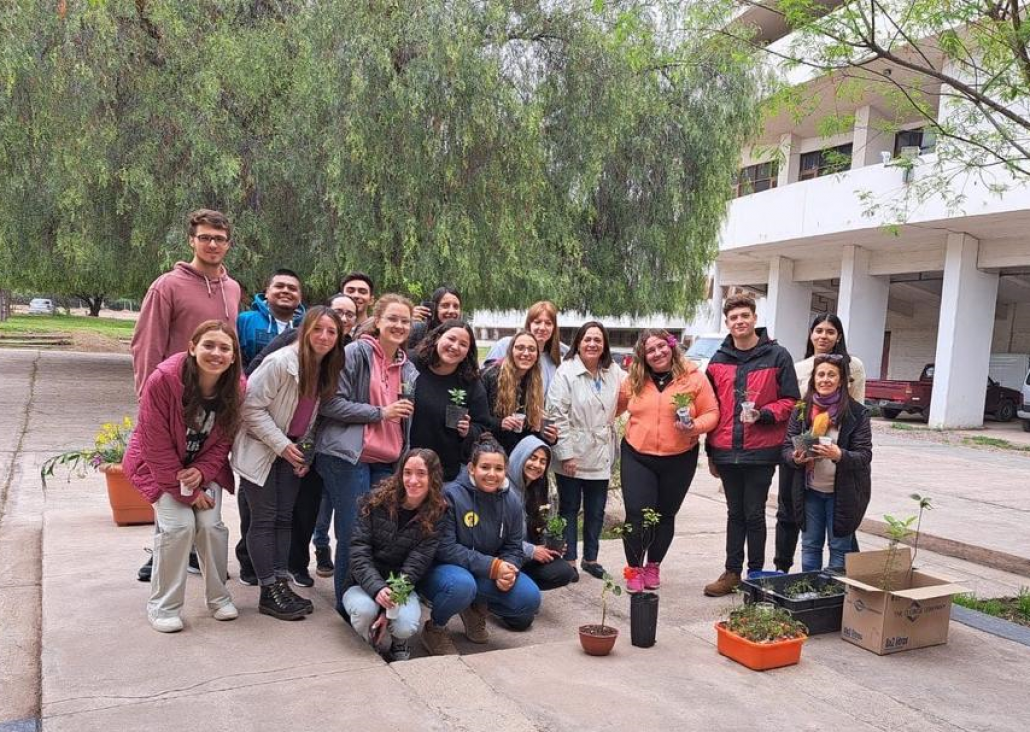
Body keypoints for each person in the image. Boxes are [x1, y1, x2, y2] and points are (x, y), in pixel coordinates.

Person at [130, 208, 241, 582]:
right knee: (167, 474)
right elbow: (147, 343)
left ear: (228, 244)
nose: (212, 244)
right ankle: (161, 554)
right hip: (172, 399)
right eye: (205, 237)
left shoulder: (232, 287)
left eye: (219, 238)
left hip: (212, 400)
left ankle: (195, 554)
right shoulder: (168, 285)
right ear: (192, 240)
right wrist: (147, 397)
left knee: (199, 473)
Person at [122, 320, 244, 633]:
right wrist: (188, 493)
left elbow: (225, 440)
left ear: (233, 356)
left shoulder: (237, 387)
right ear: (192, 347)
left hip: (202, 467)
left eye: (224, 348)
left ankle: (218, 598)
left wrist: (202, 472)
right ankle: (163, 606)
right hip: (159, 467)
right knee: (179, 526)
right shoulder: (164, 379)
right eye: (208, 345)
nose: (216, 353)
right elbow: (155, 443)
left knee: (210, 526)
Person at [235, 294, 356, 585]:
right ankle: (268, 587)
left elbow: (312, 417)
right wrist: (283, 446)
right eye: (318, 329)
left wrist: (305, 453)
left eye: (332, 332)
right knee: (263, 520)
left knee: (283, 518)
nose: (325, 337)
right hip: (262, 447)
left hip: (292, 451)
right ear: (304, 330)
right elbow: (249, 407)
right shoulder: (280, 362)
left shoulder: (324, 368)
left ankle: (279, 580)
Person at [315, 294, 419, 612]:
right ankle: (348, 606)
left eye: (405, 320)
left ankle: (371, 597)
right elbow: (331, 403)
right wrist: (380, 412)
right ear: (377, 320)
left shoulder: (409, 368)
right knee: (353, 533)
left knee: (379, 535)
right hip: (348, 457)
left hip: (387, 460)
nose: (399, 325)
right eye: (393, 319)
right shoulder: (356, 353)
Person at [703, 295, 800, 597]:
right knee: (735, 513)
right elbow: (709, 406)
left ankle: (755, 574)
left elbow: (792, 401)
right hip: (726, 450)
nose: (740, 321)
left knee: (754, 513)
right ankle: (732, 571)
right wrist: (710, 451)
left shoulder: (777, 356)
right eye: (734, 318)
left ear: (754, 318)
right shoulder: (718, 360)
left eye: (745, 315)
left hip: (761, 451)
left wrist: (765, 414)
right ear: (728, 323)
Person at [616, 329, 719, 593]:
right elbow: (612, 407)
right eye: (650, 350)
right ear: (643, 356)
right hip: (638, 454)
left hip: (680, 457)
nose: (658, 353)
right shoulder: (634, 380)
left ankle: (653, 565)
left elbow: (712, 413)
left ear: (672, 346)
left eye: (662, 346)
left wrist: (694, 426)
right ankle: (634, 569)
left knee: (665, 516)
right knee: (637, 515)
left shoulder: (694, 378)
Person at [418, 435, 540, 656]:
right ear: (472, 469)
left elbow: (514, 546)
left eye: (498, 468)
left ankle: (475, 608)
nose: (492, 474)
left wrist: (509, 570)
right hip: (445, 570)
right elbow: (445, 549)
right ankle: (435, 628)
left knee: (529, 599)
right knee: (462, 586)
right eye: (485, 467)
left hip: (485, 571)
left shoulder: (511, 501)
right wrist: (493, 567)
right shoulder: (450, 496)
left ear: (506, 470)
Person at [775, 314, 867, 573]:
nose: (823, 336)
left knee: (840, 533)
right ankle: (787, 572)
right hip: (808, 470)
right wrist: (798, 454)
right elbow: (794, 416)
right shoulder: (800, 369)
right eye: (818, 330)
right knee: (806, 533)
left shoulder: (854, 366)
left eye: (830, 331)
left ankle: (842, 585)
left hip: (841, 459)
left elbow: (858, 407)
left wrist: (842, 442)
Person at [343, 449, 447, 662]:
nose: (413, 480)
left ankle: (399, 641)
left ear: (433, 477)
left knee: (405, 625)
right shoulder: (374, 502)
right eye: (407, 472)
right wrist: (378, 589)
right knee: (364, 611)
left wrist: (389, 607)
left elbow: (416, 564)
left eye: (421, 473)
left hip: (402, 585)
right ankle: (369, 638)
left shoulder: (437, 514)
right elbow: (358, 551)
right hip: (363, 582)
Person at [546, 321, 624, 581]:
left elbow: (633, 389)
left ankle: (591, 558)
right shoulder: (566, 372)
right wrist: (566, 453)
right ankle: (570, 560)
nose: (592, 344)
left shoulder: (612, 371)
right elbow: (557, 414)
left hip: (600, 453)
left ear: (604, 345)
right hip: (573, 453)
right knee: (569, 508)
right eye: (587, 339)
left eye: (597, 340)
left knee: (596, 509)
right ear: (578, 343)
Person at [409, 320, 491, 481]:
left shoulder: (470, 382)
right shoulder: (411, 363)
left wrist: (467, 431)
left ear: (468, 351)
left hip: (444, 471)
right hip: (405, 464)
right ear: (438, 337)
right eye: (451, 339)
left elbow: (482, 425)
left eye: (463, 344)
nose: (455, 346)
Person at [507, 436, 576, 591]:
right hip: (503, 558)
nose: (537, 465)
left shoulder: (538, 489)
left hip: (523, 559)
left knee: (564, 571)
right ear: (520, 456)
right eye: (532, 458)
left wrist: (550, 544)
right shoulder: (503, 489)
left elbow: (538, 528)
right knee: (524, 611)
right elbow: (496, 539)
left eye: (543, 461)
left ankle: (522, 588)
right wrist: (531, 551)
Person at [481, 330, 558, 457]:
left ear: (537, 356)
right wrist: (500, 423)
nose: (526, 353)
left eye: (531, 349)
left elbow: (528, 430)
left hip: (518, 454)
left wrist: (550, 438)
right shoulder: (490, 375)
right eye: (520, 348)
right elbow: (477, 418)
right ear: (511, 351)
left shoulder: (534, 382)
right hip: (490, 451)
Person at [484, 301, 568, 392]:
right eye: (537, 322)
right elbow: (485, 381)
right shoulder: (504, 345)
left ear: (554, 328)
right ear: (529, 324)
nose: (542, 328)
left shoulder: (553, 363)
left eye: (548, 323)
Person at [236, 268, 305, 366]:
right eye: (279, 286)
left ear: (300, 298)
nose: (286, 291)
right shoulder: (245, 320)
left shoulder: (307, 328)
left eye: (292, 288)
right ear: (267, 293)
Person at [408, 286, 462, 350]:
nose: (451, 311)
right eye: (445, 305)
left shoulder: (464, 335)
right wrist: (406, 321)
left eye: (456, 306)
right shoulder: (419, 330)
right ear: (435, 308)